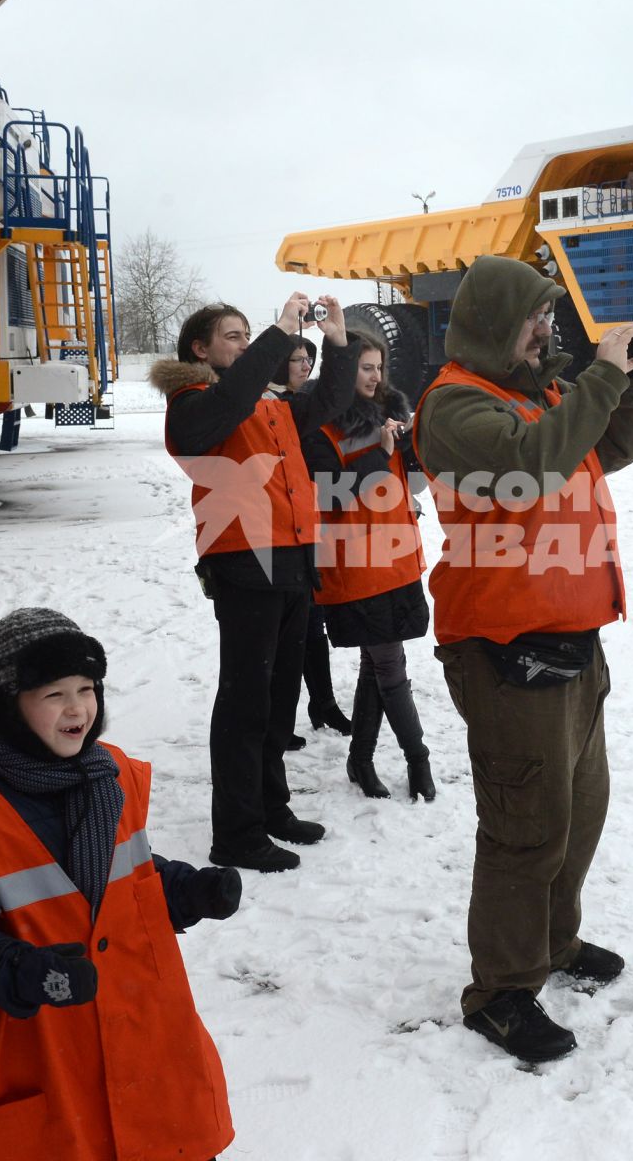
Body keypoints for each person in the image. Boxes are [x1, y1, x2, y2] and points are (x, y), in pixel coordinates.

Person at [0, 608, 239, 1161]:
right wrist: (22, 972)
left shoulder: (109, 779)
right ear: (7, 707)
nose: (77, 709)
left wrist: (185, 891)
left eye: (87, 689)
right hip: (39, 1062)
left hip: (140, 1050)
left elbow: (123, 878)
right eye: (53, 694)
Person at [413, 254, 633, 1062]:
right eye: (533, 319)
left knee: (578, 812)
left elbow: (604, 448)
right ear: (491, 324)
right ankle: (503, 990)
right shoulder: (455, 405)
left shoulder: (538, 394)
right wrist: (592, 386)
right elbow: (525, 470)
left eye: (549, 318)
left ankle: (554, 941)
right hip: (505, 650)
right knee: (525, 828)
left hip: (571, 638)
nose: (546, 330)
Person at [148, 294, 359, 872]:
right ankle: (236, 833)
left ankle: (271, 808)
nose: (245, 345)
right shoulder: (193, 404)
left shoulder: (269, 403)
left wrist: (337, 343)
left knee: (279, 695)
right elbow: (228, 404)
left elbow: (331, 400)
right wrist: (275, 335)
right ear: (201, 348)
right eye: (234, 336)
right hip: (244, 561)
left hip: (291, 557)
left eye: (248, 336)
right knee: (245, 703)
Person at [302, 328, 434, 802]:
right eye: (364, 367)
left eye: (379, 367)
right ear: (341, 372)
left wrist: (408, 447)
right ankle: (418, 760)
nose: (375, 376)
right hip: (356, 561)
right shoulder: (320, 426)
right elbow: (328, 491)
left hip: (396, 555)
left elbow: (408, 482)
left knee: (374, 664)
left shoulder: (390, 415)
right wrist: (379, 452)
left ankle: (360, 757)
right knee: (390, 665)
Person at [272, 335, 351, 741]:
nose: (306, 367)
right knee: (286, 634)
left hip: (314, 528)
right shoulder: (279, 409)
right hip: (284, 535)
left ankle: (323, 703)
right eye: (297, 360)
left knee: (310, 628)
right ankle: (278, 720)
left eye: (309, 359)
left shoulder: (305, 407)